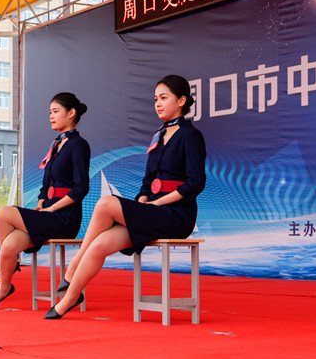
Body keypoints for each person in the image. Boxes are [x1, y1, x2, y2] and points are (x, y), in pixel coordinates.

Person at [44, 75, 206, 319]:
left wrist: (157, 203)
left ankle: (75, 263)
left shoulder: (191, 135)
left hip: (176, 215)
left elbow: (195, 183)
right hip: (153, 211)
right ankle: (70, 298)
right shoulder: (159, 134)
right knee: (99, 245)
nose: (158, 103)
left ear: (181, 101)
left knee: (106, 203)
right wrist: (143, 199)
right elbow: (147, 181)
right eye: (155, 99)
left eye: (164, 98)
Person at [0, 92, 91, 310]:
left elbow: (81, 188)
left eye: (56, 111)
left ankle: (5, 271)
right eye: (49, 112)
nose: (51, 116)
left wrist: (51, 209)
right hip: (48, 213)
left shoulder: (79, 145)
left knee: (3, 213)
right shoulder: (56, 144)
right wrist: (42, 204)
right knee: (8, 247)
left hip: (65, 218)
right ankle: (4, 287)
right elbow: (45, 185)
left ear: (71, 113)